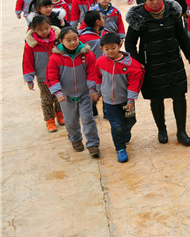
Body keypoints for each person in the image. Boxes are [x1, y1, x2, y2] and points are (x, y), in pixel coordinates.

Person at [125, 0, 190, 146]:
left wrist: (189, 54)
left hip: (173, 62)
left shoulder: (172, 12)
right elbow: (130, 43)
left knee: (179, 96)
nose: (156, 2)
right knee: (156, 99)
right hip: (151, 66)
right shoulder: (139, 17)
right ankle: (161, 129)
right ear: (144, 0)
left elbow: (181, 35)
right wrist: (137, 63)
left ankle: (181, 131)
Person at [47, 26, 100, 156]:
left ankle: (93, 144)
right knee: (71, 121)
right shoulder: (55, 58)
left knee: (88, 119)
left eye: (75, 39)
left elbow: (92, 73)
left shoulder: (87, 54)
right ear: (61, 41)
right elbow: (51, 77)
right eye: (68, 40)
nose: (73, 43)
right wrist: (58, 92)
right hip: (65, 96)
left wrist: (93, 89)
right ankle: (75, 139)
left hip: (84, 94)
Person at [95, 32, 145, 163]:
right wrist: (96, 90)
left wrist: (131, 99)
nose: (110, 51)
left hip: (125, 101)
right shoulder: (100, 62)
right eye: (106, 49)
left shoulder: (130, 63)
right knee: (116, 126)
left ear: (120, 45)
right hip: (109, 102)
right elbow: (96, 77)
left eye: (113, 48)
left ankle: (125, 132)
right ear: (101, 49)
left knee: (130, 122)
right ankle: (120, 149)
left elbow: (135, 81)